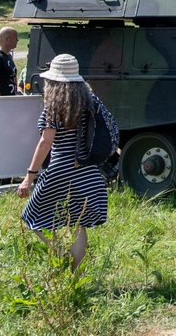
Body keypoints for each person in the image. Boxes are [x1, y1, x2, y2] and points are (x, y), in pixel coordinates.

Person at [17, 54, 113, 270]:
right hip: (87, 170)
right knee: (78, 223)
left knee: (31, 216)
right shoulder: (90, 102)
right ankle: (75, 275)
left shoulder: (55, 106)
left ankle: (59, 252)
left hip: (61, 169)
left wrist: (29, 176)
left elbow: (46, 142)